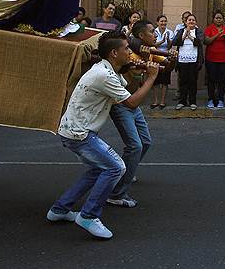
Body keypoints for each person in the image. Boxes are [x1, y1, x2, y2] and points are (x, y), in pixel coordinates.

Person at [47, 31, 158, 240]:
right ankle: (88, 215)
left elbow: (127, 89)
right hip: (79, 134)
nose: (130, 52)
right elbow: (131, 103)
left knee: (98, 169)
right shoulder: (103, 75)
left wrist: (133, 69)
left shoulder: (108, 70)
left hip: (74, 130)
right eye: (127, 48)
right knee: (116, 167)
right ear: (114, 53)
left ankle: (60, 209)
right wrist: (151, 78)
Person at [108, 19, 157, 208]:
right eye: (152, 32)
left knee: (145, 142)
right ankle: (116, 192)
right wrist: (147, 74)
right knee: (135, 146)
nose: (156, 35)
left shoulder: (144, 52)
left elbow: (134, 88)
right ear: (141, 36)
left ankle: (126, 170)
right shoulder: (129, 55)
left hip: (131, 103)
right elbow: (131, 95)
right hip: (122, 104)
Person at [203, 10, 225, 109]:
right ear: (213, 19)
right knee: (211, 80)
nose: (218, 20)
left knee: (222, 80)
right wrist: (217, 35)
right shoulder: (209, 29)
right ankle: (211, 99)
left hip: (224, 59)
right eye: (217, 18)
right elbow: (207, 41)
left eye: (220, 18)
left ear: (223, 19)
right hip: (211, 59)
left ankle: (220, 99)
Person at [173, 13, 202, 110]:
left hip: (194, 60)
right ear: (185, 22)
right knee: (183, 81)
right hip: (182, 60)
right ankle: (182, 101)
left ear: (195, 22)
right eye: (189, 20)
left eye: (193, 20)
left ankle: (192, 102)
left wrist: (190, 36)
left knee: (193, 82)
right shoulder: (181, 31)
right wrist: (185, 34)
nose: (191, 21)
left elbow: (199, 42)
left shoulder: (198, 31)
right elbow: (175, 42)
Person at [150, 15, 173, 109]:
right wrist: (162, 41)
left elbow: (169, 46)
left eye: (165, 21)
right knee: (155, 81)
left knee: (165, 81)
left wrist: (167, 40)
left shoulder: (170, 32)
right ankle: (155, 101)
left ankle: (162, 102)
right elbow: (152, 44)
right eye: (161, 21)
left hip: (166, 59)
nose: (163, 23)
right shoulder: (153, 32)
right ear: (157, 22)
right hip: (155, 58)